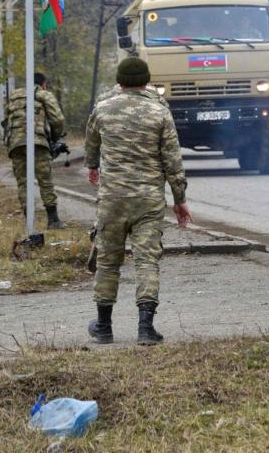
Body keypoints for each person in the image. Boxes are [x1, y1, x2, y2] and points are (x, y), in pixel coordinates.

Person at [84, 57, 191, 346]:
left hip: (112, 199)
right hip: (148, 200)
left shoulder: (102, 108)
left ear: (119, 81)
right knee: (147, 262)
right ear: (146, 80)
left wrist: (93, 166)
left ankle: (104, 326)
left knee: (107, 262)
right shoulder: (159, 111)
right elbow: (172, 159)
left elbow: (91, 144)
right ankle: (146, 328)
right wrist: (179, 199)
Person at [5, 72, 66, 229]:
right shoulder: (43, 94)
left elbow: (6, 120)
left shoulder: (14, 96)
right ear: (43, 83)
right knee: (45, 180)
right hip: (37, 142)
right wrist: (55, 137)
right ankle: (53, 220)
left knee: (23, 182)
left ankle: (29, 221)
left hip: (15, 143)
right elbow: (57, 119)